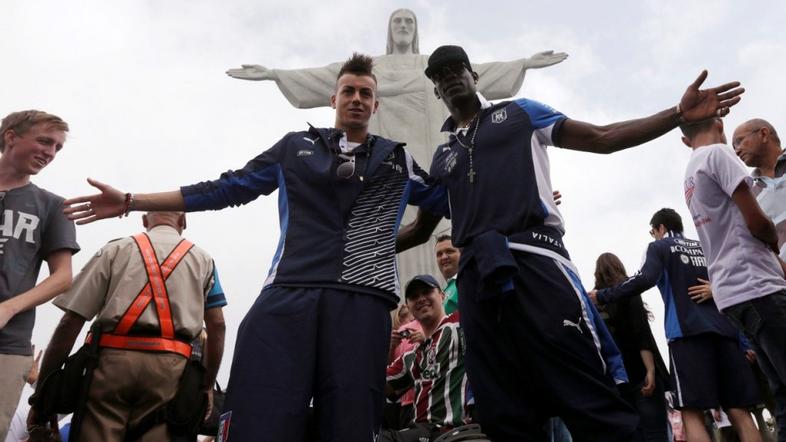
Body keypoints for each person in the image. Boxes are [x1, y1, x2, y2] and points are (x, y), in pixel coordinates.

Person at [62, 54, 448, 441]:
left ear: (376, 106)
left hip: (362, 300)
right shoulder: (296, 147)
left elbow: (446, 201)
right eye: (348, 91)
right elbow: (227, 188)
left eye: (366, 93)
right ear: (333, 99)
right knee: (261, 413)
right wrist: (132, 201)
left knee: (350, 421)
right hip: (290, 292)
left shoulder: (399, 159)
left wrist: (414, 232)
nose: (357, 99)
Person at [398, 44, 744, 441]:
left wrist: (677, 115)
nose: (449, 77)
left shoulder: (519, 113)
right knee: (502, 406)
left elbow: (604, 136)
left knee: (585, 390)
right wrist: (357, 249)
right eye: (439, 75)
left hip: (536, 261)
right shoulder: (444, 157)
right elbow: (421, 229)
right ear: (436, 90)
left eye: (457, 68)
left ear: (474, 76)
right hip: (478, 278)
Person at [226, 8, 567, 285]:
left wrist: (524, 63)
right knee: (392, 223)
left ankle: (445, 298)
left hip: (433, 164)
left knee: (443, 234)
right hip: (387, 169)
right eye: (398, 22)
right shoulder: (375, 68)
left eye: (408, 22)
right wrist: (274, 73)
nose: (403, 27)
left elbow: (479, 74)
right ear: (390, 31)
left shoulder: (430, 68)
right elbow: (326, 76)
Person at [29, 211, 226, 441]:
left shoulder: (115, 250)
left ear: (145, 221)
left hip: (110, 364)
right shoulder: (204, 260)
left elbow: (69, 324)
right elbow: (218, 325)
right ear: (183, 221)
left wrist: (42, 395)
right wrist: (207, 385)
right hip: (171, 371)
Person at [588, 209, 762, 442]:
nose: (654, 236)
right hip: (726, 335)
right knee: (740, 411)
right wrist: (743, 341)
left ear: (660, 228)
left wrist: (602, 295)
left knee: (691, 412)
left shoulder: (659, 248)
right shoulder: (706, 247)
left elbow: (643, 279)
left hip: (687, 336)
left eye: (653, 231)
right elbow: (733, 286)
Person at [680, 117, 786, 440]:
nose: (737, 149)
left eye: (744, 141)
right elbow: (757, 223)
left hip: (735, 295)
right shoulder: (718, 155)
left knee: (781, 394)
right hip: (760, 285)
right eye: (734, 141)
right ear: (719, 123)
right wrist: (771, 242)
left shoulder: (690, 174)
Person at [0, 110, 79, 440]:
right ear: (11, 136)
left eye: (57, 147)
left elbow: (62, 277)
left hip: (8, 345)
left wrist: (9, 308)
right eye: (45, 141)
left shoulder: (52, 206)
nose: (50, 152)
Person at [590, 252, 670, 442]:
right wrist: (650, 370)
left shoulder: (595, 301)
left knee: (630, 435)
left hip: (616, 378)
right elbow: (640, 331)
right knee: (655, 434)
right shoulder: (629, 290)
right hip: (640, 372)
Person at [382, 275, 470, 442]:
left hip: (452, 429)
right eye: (414, 296)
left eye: (427, 291)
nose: (421, 299)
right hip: (421, 431)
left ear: (442, 295)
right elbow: (378, 386)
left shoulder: (458, 325)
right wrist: (387, 348)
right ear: (408, 306)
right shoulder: (412, 356)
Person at [732, 119, 786, 260]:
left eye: (739, 141)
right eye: (734, 148)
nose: (737, 151)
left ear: (763, 134)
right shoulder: (748, 194)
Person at [435, 234, 460, 314]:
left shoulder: (470, 280)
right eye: (439, 254)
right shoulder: (441, 293)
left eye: (449, 251)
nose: (444, 257)